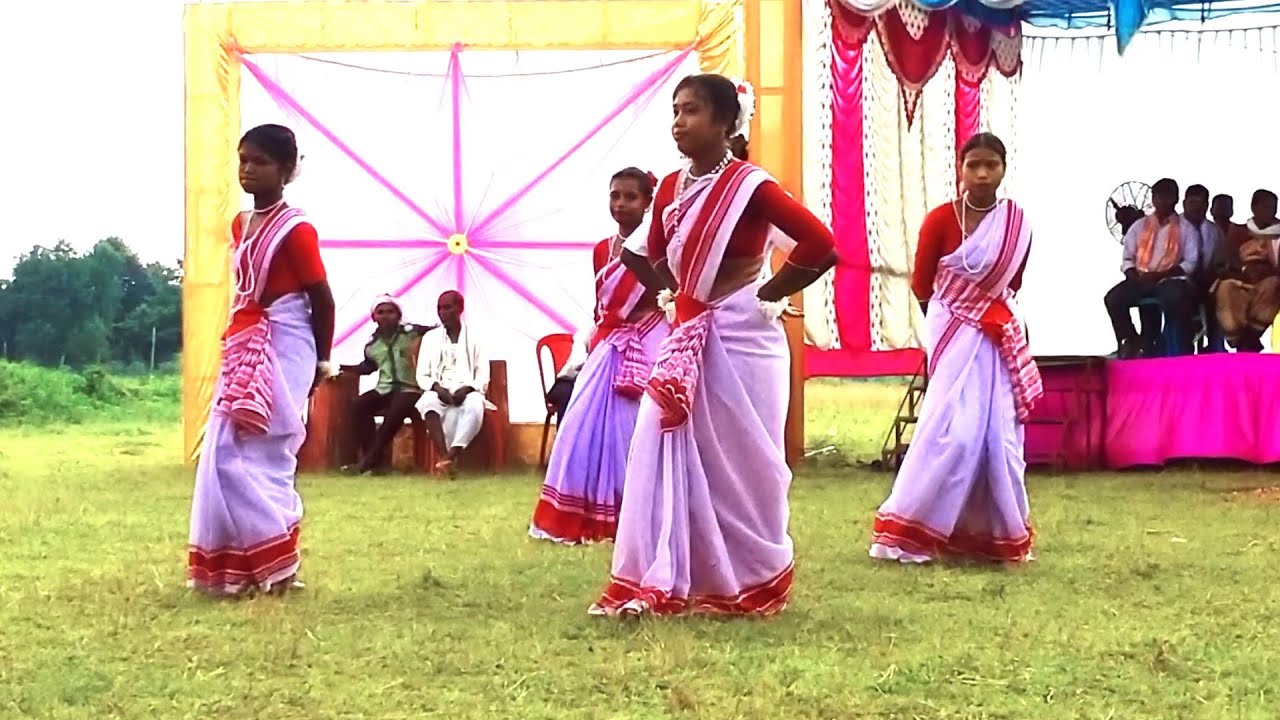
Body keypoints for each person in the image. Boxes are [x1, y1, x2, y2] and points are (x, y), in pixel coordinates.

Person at [590, 74, 836, 617]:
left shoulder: (752, 186)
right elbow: (651, 255)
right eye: (676, 111)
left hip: (744, 339)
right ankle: (675, 572)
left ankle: (746, 577)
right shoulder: (673, 189)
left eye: (692, 111)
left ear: (726, 122)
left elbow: (822, 245)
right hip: (687, 337)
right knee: (666, 450)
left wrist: (766, 292)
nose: (679, 122)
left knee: (744, 464)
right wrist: (674, 295)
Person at [868, 132, 1039, 564]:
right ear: (960, 169)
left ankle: (989, 535)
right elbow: (924, 284)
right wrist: (953, 324)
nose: (982, 174)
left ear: (1003, 168)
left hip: (997, 333)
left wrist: (985, 316)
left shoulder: (1017, 223)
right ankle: (914, 527)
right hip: (952, 331)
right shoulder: (942, 219)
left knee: (998, 434)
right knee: (953, 434)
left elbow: (1012, 285)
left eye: (991, 165)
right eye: (973, 165)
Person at [187, 124, 336, 596]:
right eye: (244, 160)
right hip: (246, 342)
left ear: (287, 171)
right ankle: (244, 567)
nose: (249, 169)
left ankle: (278, 565)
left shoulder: (296, 230)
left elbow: (322, 298)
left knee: (265, 451)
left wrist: (322, 364)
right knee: (222, 451)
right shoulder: (240, 225)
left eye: (261, 162)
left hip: (287, 344)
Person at [529, 168, 668, 545]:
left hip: (651, 338)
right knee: (582, 424)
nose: (621, 204)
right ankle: (588, 511)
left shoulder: (661, 247)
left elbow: (666, 297)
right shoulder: (602, 249)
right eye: (615, 196)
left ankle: (639, 514)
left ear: (648, 202)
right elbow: (601, 305)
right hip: (609, 343)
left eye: (630, 197)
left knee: (636, 425)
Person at [1102, 178, 1201, 359]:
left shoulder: (1186, 228)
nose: (1162, 201)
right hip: (1141, 279)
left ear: (1175, 199)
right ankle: (1130, 341)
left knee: (1173, 298)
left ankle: (1175, 345)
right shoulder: (1139, 226)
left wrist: (1160, 276)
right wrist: (1135, 277)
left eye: (1167, 196)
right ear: (1153, 199)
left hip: (1171, 279)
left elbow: (1190, 263)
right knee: (1113, 298)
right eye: (1158, 196)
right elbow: (1127, 259)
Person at [339, 296, 433, 474]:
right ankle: (375, 460)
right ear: (374, 317)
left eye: (390, 312)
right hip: (384, 388)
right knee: (359, 406)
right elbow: (368, 367)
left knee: (396, 409)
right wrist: (342, 368)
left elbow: (439, 333)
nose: (386, 316)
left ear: (398, 314)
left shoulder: (414, 333)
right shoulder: (372, 344)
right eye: (380, 312)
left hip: (411, 388)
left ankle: (369, 461)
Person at [414, 290, 494, 475]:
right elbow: (422, 375)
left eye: (448, 307)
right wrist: (437, 388)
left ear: (460, 309)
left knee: (475, 404)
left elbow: (483, 374)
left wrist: (467, 389)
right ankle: (445, 457)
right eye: (439, 308)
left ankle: (450, 455)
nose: (443, 313)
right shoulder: (430, 338)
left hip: (467, 391)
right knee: (428, 402)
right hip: (439, 389)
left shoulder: (476, 337)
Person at [1214, 189, 1280, 352]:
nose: (1270, 212)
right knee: (1226, 288)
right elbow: (1227, 260)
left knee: (1273, 286)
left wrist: (1265, 272)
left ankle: (1252, 337)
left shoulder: (1278, 234)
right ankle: (1239, 339)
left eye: (1273, 208)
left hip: (1269, 278)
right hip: (1241, 278)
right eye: (1265, 207)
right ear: (1253, 207)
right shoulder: (1238, 231)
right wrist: (1244, 269)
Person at [1183, 184, 1224, 352]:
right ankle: (1183, 347)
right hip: (1181, 279)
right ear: (1184, 203)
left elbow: (1219, 259)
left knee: (1220, 297)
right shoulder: (1176, 226)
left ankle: (1215, 347)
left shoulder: (1213, 230)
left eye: (1201, 203)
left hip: (1206, 280)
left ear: (1207, 205)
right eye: (1192, 202)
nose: (1197, 207)